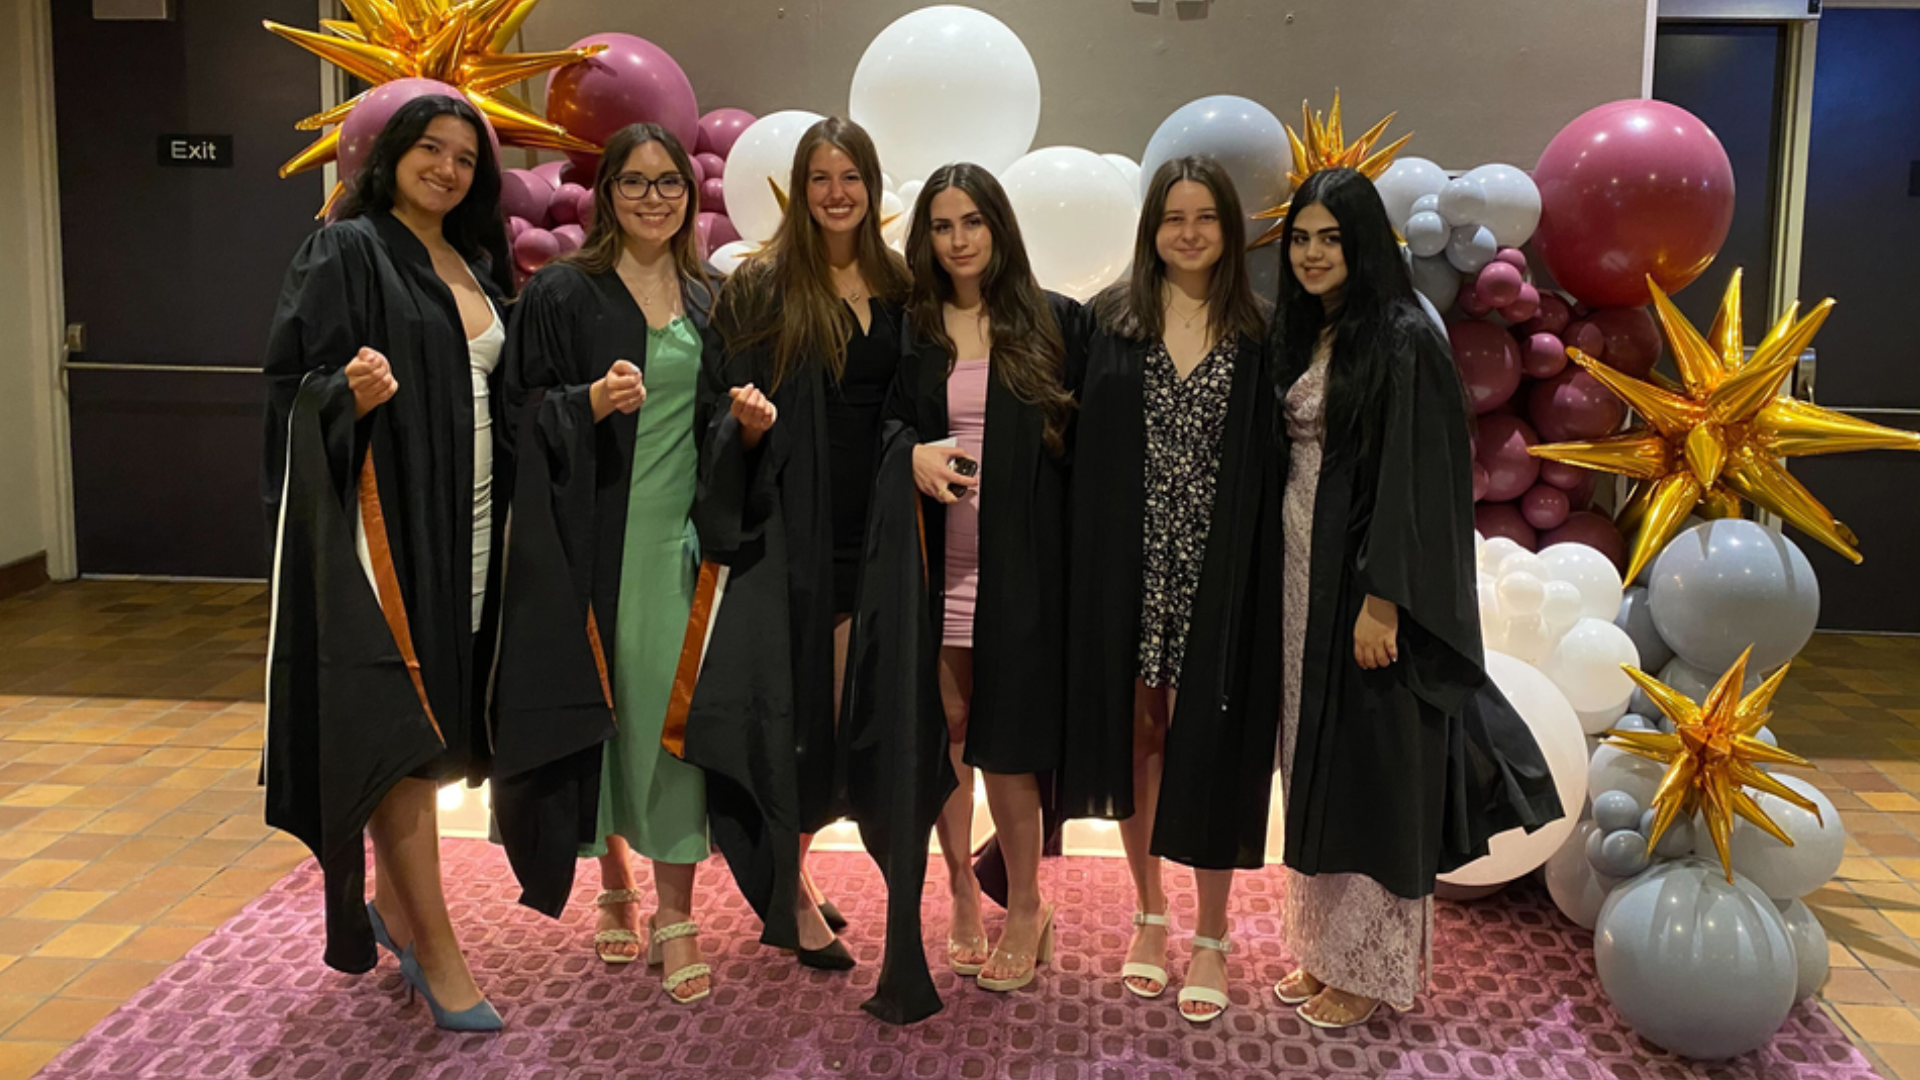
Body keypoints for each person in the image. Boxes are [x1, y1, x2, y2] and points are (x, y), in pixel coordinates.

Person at [1269, 167, 1562, 1028]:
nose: (1315, 254)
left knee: (1374, 771)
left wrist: (1385, 598)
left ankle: (1371, 965)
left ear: (1365, 242)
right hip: (1301, 584)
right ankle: (1323, 952)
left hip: (1363, 591)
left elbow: (1419, 479)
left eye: (1332, 237)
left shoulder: (1402, 335)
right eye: (1302, 238)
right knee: (1315, 766)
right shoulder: (1316, 333)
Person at [684, 117, 949, 1023]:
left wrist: (908, 451)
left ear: (873, 187)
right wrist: (744, 427)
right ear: (802, 189)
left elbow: (912, 409)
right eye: (822, 177)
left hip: (873, 543)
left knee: (849, 720)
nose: (838, 192)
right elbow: (718, 407)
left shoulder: (903, 289)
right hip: (787, 542)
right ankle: (788, 892)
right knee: (791, 717)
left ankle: (801, 876)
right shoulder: (762, 287)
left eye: (852, 176)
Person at [262, 94, 514, 1032]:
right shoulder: (348, 248)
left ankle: (401, 909)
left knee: (440, 715)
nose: (447, 169)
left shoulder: (478, 262)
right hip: (391, 526)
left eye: (463, 158)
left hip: (477, 524)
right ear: (392, 155)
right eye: (429, 151)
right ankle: (437, 952)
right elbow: (291, 383)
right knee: (399, 723)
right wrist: (343, 396)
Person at [493, 122, 720, 1005]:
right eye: (635, 182)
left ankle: (675, 911)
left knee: (670, 722)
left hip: (679, 541)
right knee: (605, 709)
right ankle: (613, 881)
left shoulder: (709, 296)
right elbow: (518, 414)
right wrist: (583, 403)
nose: (654, 198)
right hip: (591, 540)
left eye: (669, 183)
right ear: (606, 194)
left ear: (689, 195)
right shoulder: (562, 292)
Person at [1061, 155, 1284, 1023]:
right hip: (1130, 562)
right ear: (1151, 228)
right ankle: (1150, 913)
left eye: (1206, 217)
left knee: (1214, 745)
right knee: (1141, 735)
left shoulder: (1264, 335)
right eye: (1172, 217)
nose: (1188, 233)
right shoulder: (1109, 326)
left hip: (1222, 566)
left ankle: (1214, 933)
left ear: (1228, 230)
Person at [891, 163, 1082, 992]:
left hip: (1021, 573)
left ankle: (1028, 904)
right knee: (951, 737)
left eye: (973, 221)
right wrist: (910, 455)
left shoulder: (1053, 325)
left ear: (998, 228)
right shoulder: (911, 331)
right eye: (942, 225)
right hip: (938, 566)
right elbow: (885, 430)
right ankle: (962, 887)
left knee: (1009, 750)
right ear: (925, 238)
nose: (959, 239)